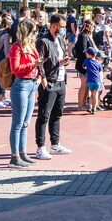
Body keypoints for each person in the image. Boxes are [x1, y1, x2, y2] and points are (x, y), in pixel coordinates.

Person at [35, 13, 73, 160]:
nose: (63, 29)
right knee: (44, 115)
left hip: (61, 81)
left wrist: (65, 62)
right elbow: (40, 62)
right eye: (62, 27)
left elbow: (59, 60)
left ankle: (55, 144)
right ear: (54, 26)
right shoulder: (43, 41)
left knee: (57, 114)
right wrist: (43, 80)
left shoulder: (61, 41)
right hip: (49, 82)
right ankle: (40, 147)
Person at [8, 20, 44, 169]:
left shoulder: (31, 46)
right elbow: (15, 69)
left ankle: (22, 153)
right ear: (27, 31)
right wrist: (33, 65)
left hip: (31, 83)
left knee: (25, 122)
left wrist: (39, 73)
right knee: (18, 122)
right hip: (21, 84)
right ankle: (14, 156)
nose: (35, 33)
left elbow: (36, 62)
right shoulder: (16, 47)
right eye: (33, 31)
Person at [73, 18, 98, 111]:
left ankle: (84, 103)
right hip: (83, 64)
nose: (93, 28)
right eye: (92, 26)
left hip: (88, 64)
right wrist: (90, 59)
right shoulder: (83, 36)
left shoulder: (88, 36)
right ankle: (80, 104)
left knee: (87, 84)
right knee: (84, 84)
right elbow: (83, 50)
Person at [83, 47, 102, 113]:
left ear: (88, 55)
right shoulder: (98, 62)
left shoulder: (87, 60)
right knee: (95, 95)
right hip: (97, 80)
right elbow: (100, 70)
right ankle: (94, 108)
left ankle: (90, 106)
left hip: (89, 80)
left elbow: (83, 66)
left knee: (90, 95)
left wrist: (87, 68)